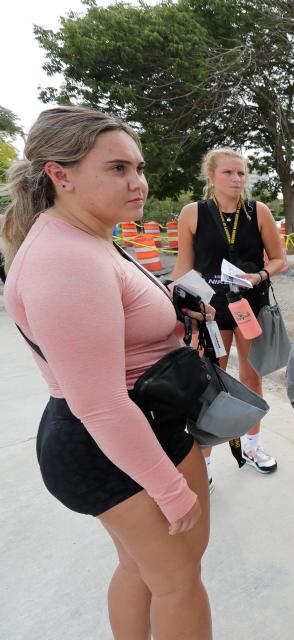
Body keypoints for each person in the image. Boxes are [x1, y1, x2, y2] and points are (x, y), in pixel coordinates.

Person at [3, 106, 212, 639]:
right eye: (118, 169)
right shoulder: (64, 259)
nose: (138, 183)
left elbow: (114, 318)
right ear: (60, 174)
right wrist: (169, 488)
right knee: (177, 582)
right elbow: (97, 402)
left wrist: (172, 307)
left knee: (143, 573)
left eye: (138, 168)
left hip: (133, 426)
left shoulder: (90, 236)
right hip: (111, 438)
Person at [170, 149, 286, 485]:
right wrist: (170, 296)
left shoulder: (257, 211)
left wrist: (259, 276)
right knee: (211, 384)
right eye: (229, 173)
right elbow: (183, 267)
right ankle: (204, 462)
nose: (237, 179)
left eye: (241, 173)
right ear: (211, 176)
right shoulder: (193, 213)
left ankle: (252, 445)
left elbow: (279, 259)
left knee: (252, 379)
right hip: (210, 311)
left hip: (250, 307)